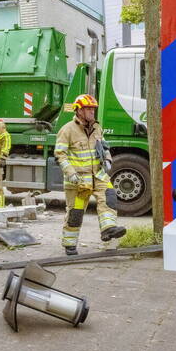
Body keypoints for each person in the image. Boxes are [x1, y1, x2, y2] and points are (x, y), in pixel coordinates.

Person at [54, 94, 126, 255]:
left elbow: (104, 146)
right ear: (79, 111)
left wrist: (108, 159)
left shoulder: (97, 128)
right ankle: (70, 244)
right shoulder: (67, 130)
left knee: (109, 198)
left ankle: (108, 229)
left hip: (99, 176)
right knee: (75, 213)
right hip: (79, 181)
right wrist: (71, 174)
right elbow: (60, 154)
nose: (92, 112)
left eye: (93, 109)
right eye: (88, 109)